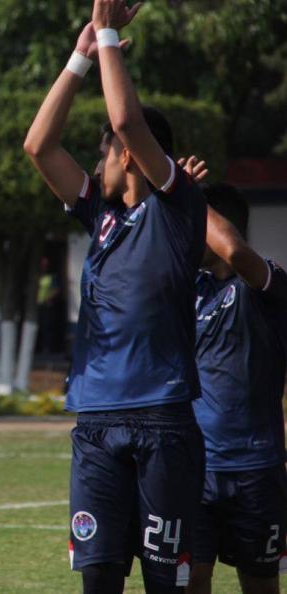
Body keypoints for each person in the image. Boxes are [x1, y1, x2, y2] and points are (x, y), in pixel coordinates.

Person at [23, 0, 206, 593]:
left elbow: (126, 120)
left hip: (162, 419)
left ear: (128, 158)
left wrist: (108, 39)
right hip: (96, 421)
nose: (95, 164)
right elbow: (38, 144)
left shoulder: (177, 208)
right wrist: (79, 56)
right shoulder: (98, 217)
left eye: (102, 155)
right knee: (98, 576)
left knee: (166, 582)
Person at [179, 173, 286, 594]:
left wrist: (184, 193)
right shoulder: (190, 289)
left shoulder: (263, 285)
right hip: (194, 469)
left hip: (256, 470)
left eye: (194, 226)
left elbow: (238, 253)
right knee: (191, 581)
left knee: (259, 585)